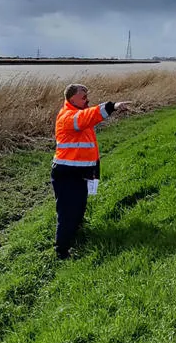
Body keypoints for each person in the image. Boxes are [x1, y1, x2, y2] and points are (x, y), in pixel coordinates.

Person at [52, 84, 134, 259]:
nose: (87, 100)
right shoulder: (68, 116)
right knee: (67, 211)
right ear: (71, 98)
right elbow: (86, 117)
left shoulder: (79, 114)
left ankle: (76, 235)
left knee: (79, 207)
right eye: (83, 97)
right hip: (66, 173)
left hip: (80, 171)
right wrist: (112, 106)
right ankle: (62, 251)